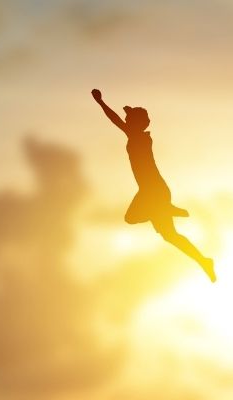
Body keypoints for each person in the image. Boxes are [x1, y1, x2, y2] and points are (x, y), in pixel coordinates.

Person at [92, 89, 216, 282]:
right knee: (171, 236)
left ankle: (166, 209)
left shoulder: (139, 137)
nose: (127, 123)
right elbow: (121, 120)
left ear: (138, 124)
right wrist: (125, 110)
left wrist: (101, 103)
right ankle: (203, 260)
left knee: (131, 218)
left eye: (131, 120)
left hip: (153, 190)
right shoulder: (135, 134)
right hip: (152, 191)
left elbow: (116, 120)